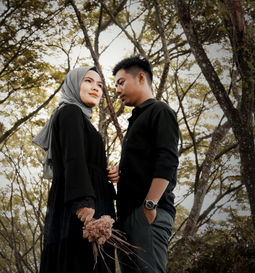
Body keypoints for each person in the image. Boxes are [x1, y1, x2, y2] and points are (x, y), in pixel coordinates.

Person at [34, 67, 116, 273]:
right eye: (88, 81)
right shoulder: (70, 112)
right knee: (79, 262)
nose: (95, 88)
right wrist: (83, 201)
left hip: (90, 198)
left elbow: (83, 158)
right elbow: (74, 158)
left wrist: (107, 173)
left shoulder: (81, 118)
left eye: (99, 85)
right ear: (73, 83)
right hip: (82, 205)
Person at [108, 55, 179, 273]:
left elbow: (167, 161)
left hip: (147, 215)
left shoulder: (160, 111)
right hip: (128, 217)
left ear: (140, 77)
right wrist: (121, 173)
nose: (117, 90)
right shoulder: (137, 119)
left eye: (121, 82)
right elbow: (144, 164)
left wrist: (150, 206)